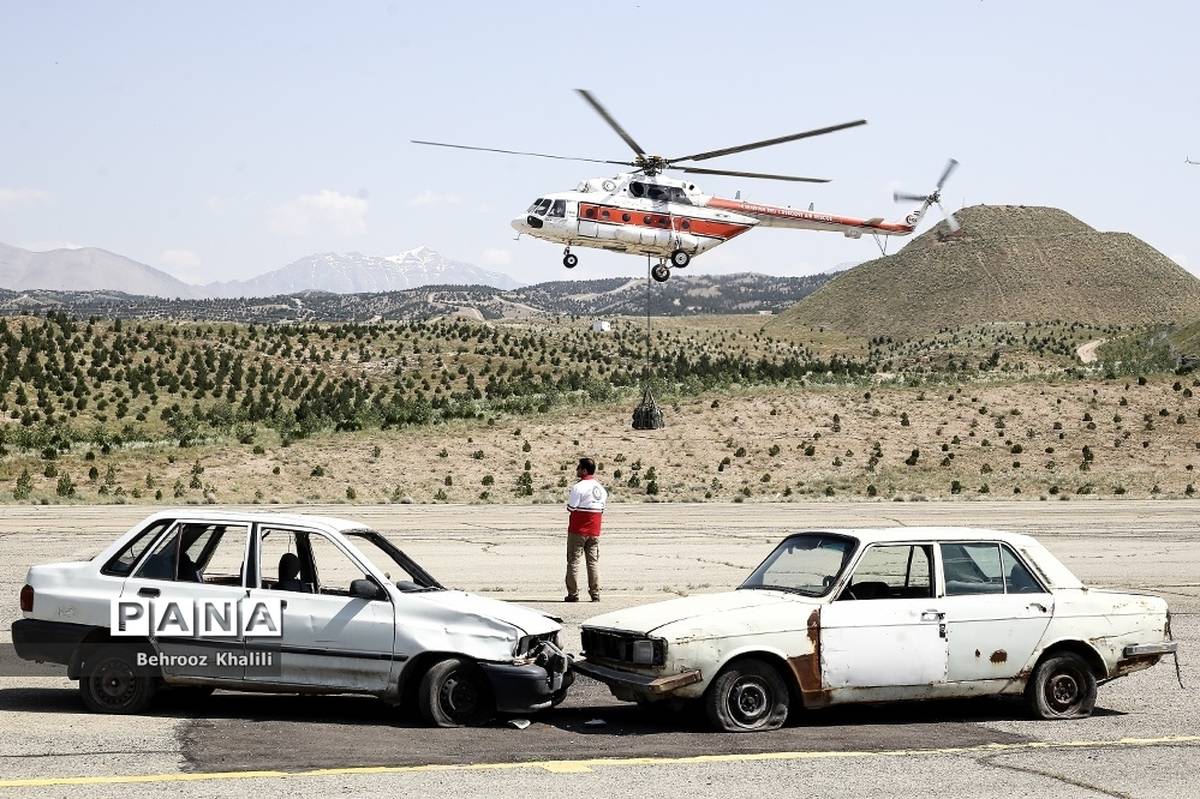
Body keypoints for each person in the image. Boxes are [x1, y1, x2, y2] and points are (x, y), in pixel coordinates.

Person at [565, 457, 607, 602]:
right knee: (593, 562)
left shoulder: (579, 487)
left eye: (578, 467)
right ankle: (595, 593)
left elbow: (571, 507)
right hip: (594, 530)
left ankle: (573, 594)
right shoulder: (601, 489)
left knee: (574, 561)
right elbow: (601, 509)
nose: (576, 470)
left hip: (578, 530)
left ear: (583, 470)